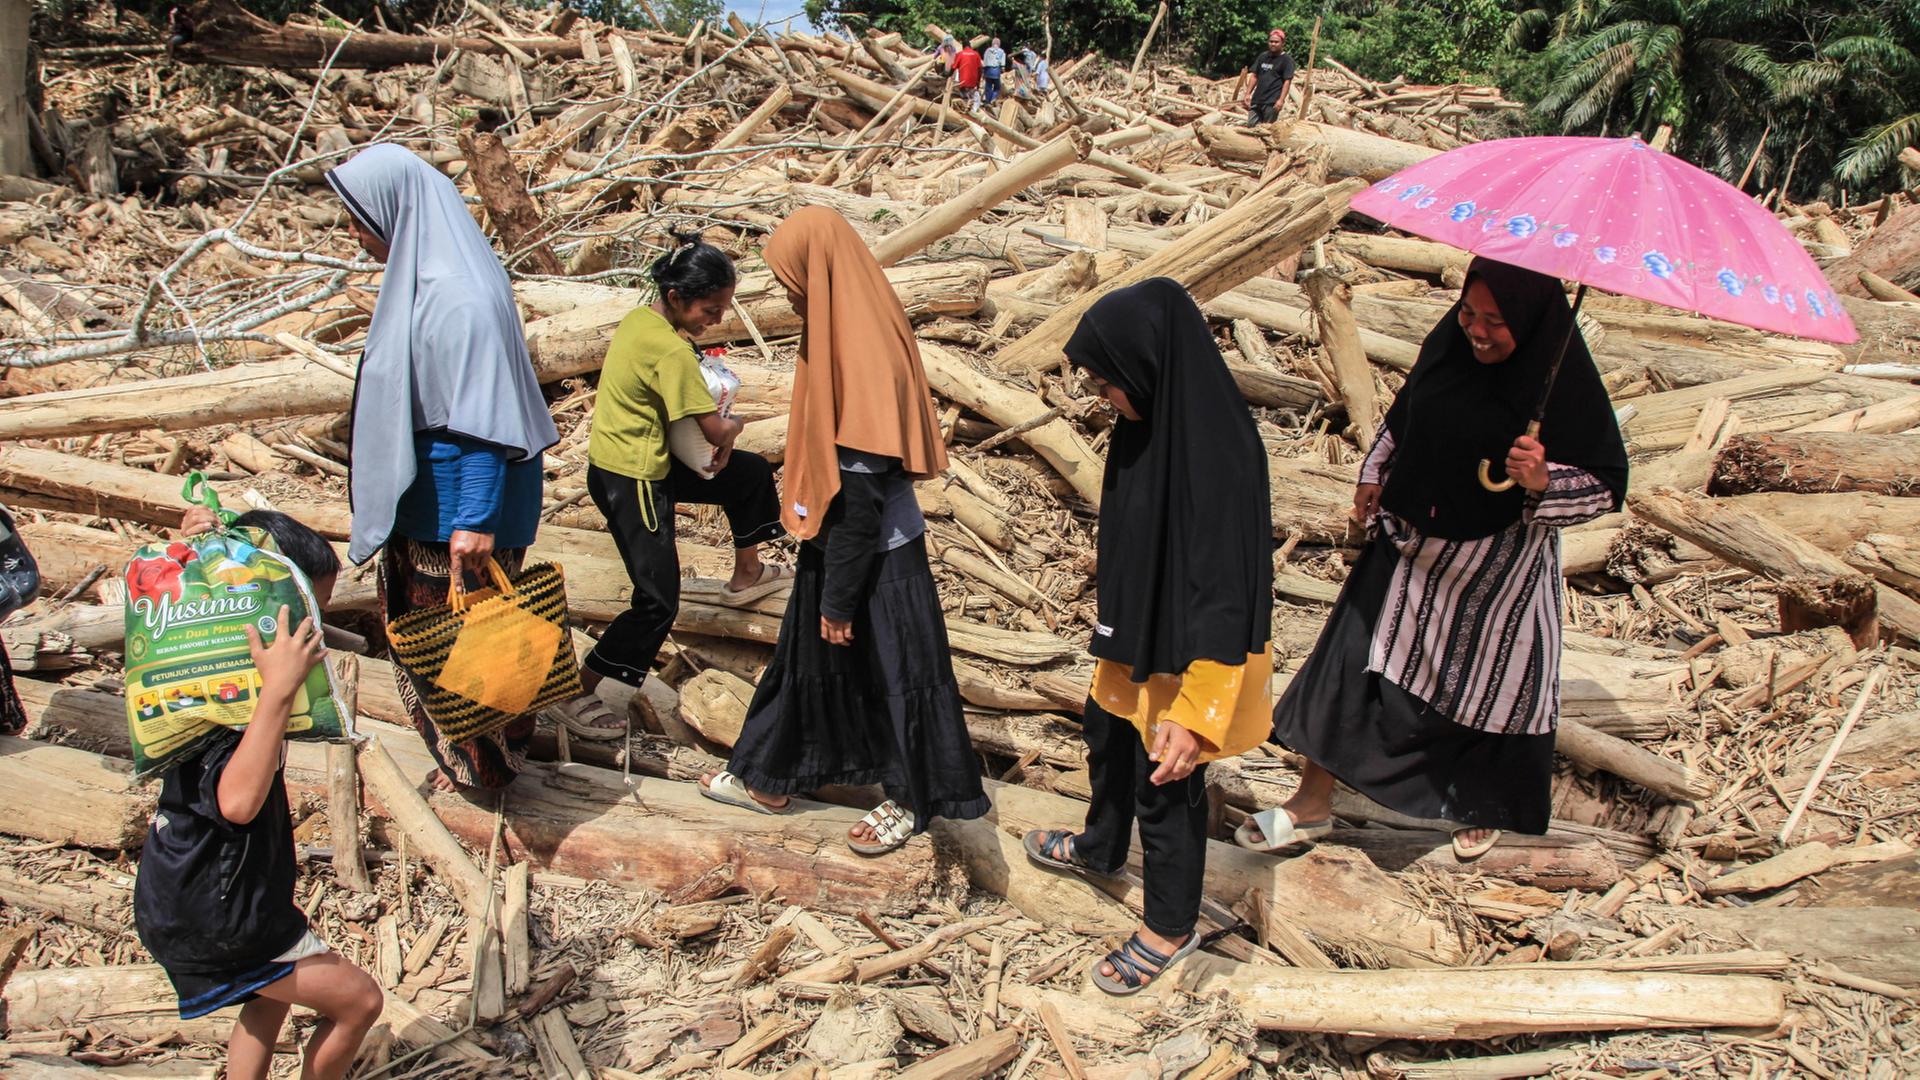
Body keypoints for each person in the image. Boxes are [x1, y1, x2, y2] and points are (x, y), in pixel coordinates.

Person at [1244, 258, 1627, 860]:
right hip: (1407, 542)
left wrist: (1543, 478)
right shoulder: (1449, 345)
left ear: (1529, 322)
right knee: (1350, 661)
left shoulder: (1560, 381)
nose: (1476, 329)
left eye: (1496, 321)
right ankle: (1311, 802)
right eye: (1469, 313)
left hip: (1494, 569)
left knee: (1489, 681)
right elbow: (1408, 412)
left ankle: (1481, 802)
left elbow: (1607, 484)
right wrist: (1374, 473)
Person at [324, 143, 618, 793]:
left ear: (394, 212)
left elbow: (483, 415)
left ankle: (484, 780)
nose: (351, 232)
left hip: (456, 508)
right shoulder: (435, 279)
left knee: (456, 652)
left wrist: (475, 520)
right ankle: (489, 759)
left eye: (357, 217)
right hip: (439, 502)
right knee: (465, 641)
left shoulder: (457, 297)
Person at [699, 207, 987, 855]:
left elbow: (862, 495)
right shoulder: (842, 324)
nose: (790, 292)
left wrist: (840, 594)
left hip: (874, 555)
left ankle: (911, 800)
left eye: (791, 279)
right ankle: (771, 775)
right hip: (837, 543)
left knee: (896, 672)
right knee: (812, 657)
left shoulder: (858, 348)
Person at [1019, 279, 1274, 995]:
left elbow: (1223, 596)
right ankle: (1101, 847)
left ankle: (1168, 924)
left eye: (1108, 383)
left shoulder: (1217, 454)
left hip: (1192, 663)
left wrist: (1196, 717)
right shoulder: (1147, 428)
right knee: (1108, 746)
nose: (1105, 398)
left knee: (1168, 788)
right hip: (1134, 645)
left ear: (1147, 366)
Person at [136, 507, 383, 1080]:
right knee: (359, 1001)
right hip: (215, 910)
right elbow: (237, 803)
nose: (313, 628)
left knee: (267, 997)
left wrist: (198, 540)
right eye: (304, 612)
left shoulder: (201, 663)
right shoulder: (236, 707)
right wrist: (278, 689)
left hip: (215, 892)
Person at [580, 231, 787, 698]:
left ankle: (747, 574)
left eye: (722, 310)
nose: (717, 320)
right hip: (632, 478)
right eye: (710, 310)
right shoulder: (671, 352)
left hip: (629, 461)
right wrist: (736, 425)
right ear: (676, 296)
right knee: (657, 601)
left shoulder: (641, 321)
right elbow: (715, 431)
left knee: (750, 474)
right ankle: (581, 689)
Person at [1233, 28, 1295, 125]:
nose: (1273, 44)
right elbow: (1254, 76)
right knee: (1251, 125)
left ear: (1283, 43)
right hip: (1257, 99)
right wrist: (1248, 93)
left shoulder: (1287, 60)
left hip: (1272, 102)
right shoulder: (1263, 56)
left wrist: (1281, 100)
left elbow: (1287, 81)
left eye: (1276, 42)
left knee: (1267, 129)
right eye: (1271, 41)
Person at [952, 40, 983, 111]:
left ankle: (965, 108)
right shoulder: (976, 54)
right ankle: (973, 111)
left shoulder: (960, 54)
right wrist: (978, 82)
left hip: (962, 81)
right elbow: (980, 69)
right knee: (974, 98)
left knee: (964, 97)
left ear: (963, 47)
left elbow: (953, 67)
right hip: (973, 81)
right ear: (970, 46)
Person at [982, 37, 1006, 105]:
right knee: (997, 88)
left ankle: (987, 101)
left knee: (988, 87)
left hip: (988, 71)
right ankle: (993, 99)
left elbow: (985, 62)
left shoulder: (987, 50)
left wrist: (984, 72)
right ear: (999, 44)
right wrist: (1002, 70)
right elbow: (1003, 64)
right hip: (996, 72)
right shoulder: (1001, 51)